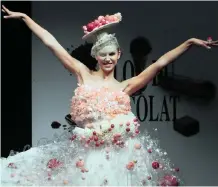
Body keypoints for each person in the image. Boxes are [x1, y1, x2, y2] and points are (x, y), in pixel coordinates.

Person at [1, 5, 218, 186]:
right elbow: (52, 44)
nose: (107, 59)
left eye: (112, 54)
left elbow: (161, 62)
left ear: (119, 55)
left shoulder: (126, 86)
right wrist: (25, 18)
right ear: (96, 56)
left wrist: (189, 42)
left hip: (122, 158)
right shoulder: (83, 74)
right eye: (103, 55)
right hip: (88, 158)